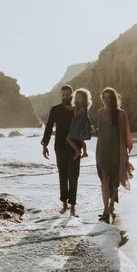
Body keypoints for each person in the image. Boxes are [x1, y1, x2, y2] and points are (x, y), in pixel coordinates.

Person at [94, 87, 134, 224]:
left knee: (114, 179)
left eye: (109, 97)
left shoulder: (120, 114)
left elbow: (125, 134)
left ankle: (111, 204)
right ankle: (105, 209)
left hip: (116, 150)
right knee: (104, 178)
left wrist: (125, 153)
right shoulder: (100, 113)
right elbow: (100, 131)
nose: (106, 99)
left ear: (113, 98)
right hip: (101, 150)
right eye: (103, 97)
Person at [41, 85, 81, 217]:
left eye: (68, 95)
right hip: (60, 147)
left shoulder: (77, 109)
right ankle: (64, 204)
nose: (65, 97)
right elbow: (49, 127)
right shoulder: (55, 110)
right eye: (63, 95)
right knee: (63, 176)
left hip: (75, 147)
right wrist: (44, 144)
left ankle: (73, 207)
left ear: (72, 94)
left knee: (74, 176)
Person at [66, 88, 93, 160]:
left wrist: (75, 107)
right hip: (79, 124)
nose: (77, 99)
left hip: (79, 125)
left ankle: (78, 151)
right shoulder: (83, 106)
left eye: (79, 98)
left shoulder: (82, 107)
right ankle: (84, 152)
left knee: (68, 138)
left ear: (84, 99)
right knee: (80, 139)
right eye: (76, 97)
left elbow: (76, 115)